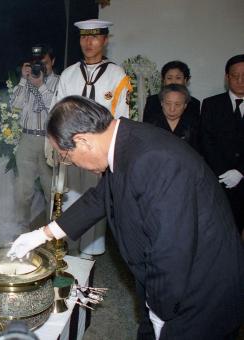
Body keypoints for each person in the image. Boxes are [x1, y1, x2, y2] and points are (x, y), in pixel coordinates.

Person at [8, 96, 244, 340]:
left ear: (83, 141)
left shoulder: (154, 160)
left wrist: (161, 314)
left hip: (199, 294)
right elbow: (100, 197)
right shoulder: (124, 140)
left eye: (66, 157)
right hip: (170, 285)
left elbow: (171, 250)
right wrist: (42, 234)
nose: (71, 164)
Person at [51, 19, 132, 256]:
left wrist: (109, 156)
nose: (88, 42)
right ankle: (63, 249)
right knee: (67, 196)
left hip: (98, 153)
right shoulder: (69, 74)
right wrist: (57, 147)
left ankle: (89, 253)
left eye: (95, 37)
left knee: (96, 200)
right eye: (84, 37)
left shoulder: (118, 75)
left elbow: (122, 117)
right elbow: (57, 112)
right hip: (70, 149)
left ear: (105, 40)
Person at [10, 44, 59, 228]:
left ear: (52, 62)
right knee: (23, 191)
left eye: (44, 63)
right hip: (27, 139)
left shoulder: (60, 82)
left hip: (49, 141)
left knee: (51, 192)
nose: (39, 68)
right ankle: (21, 232)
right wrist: (24, 80)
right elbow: (14, 107)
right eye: (36, 64)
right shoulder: (27, 81)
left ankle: (52, 234)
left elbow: (55, 108)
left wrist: (41, 86)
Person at [200, 54, 244, 237]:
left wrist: (241, 171)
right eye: (235, 76)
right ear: (227, 77)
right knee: (222, 231)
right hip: (219, 179)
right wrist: (223, 173)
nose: (240, 81)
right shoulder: (211, 104)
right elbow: (206, 141)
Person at [148, 84, 200, 152]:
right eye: (168, 103)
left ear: (185, 105)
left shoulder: (193, 126)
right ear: (162, 103)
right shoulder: (150, 125)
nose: (172, 109)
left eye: (177, 104)